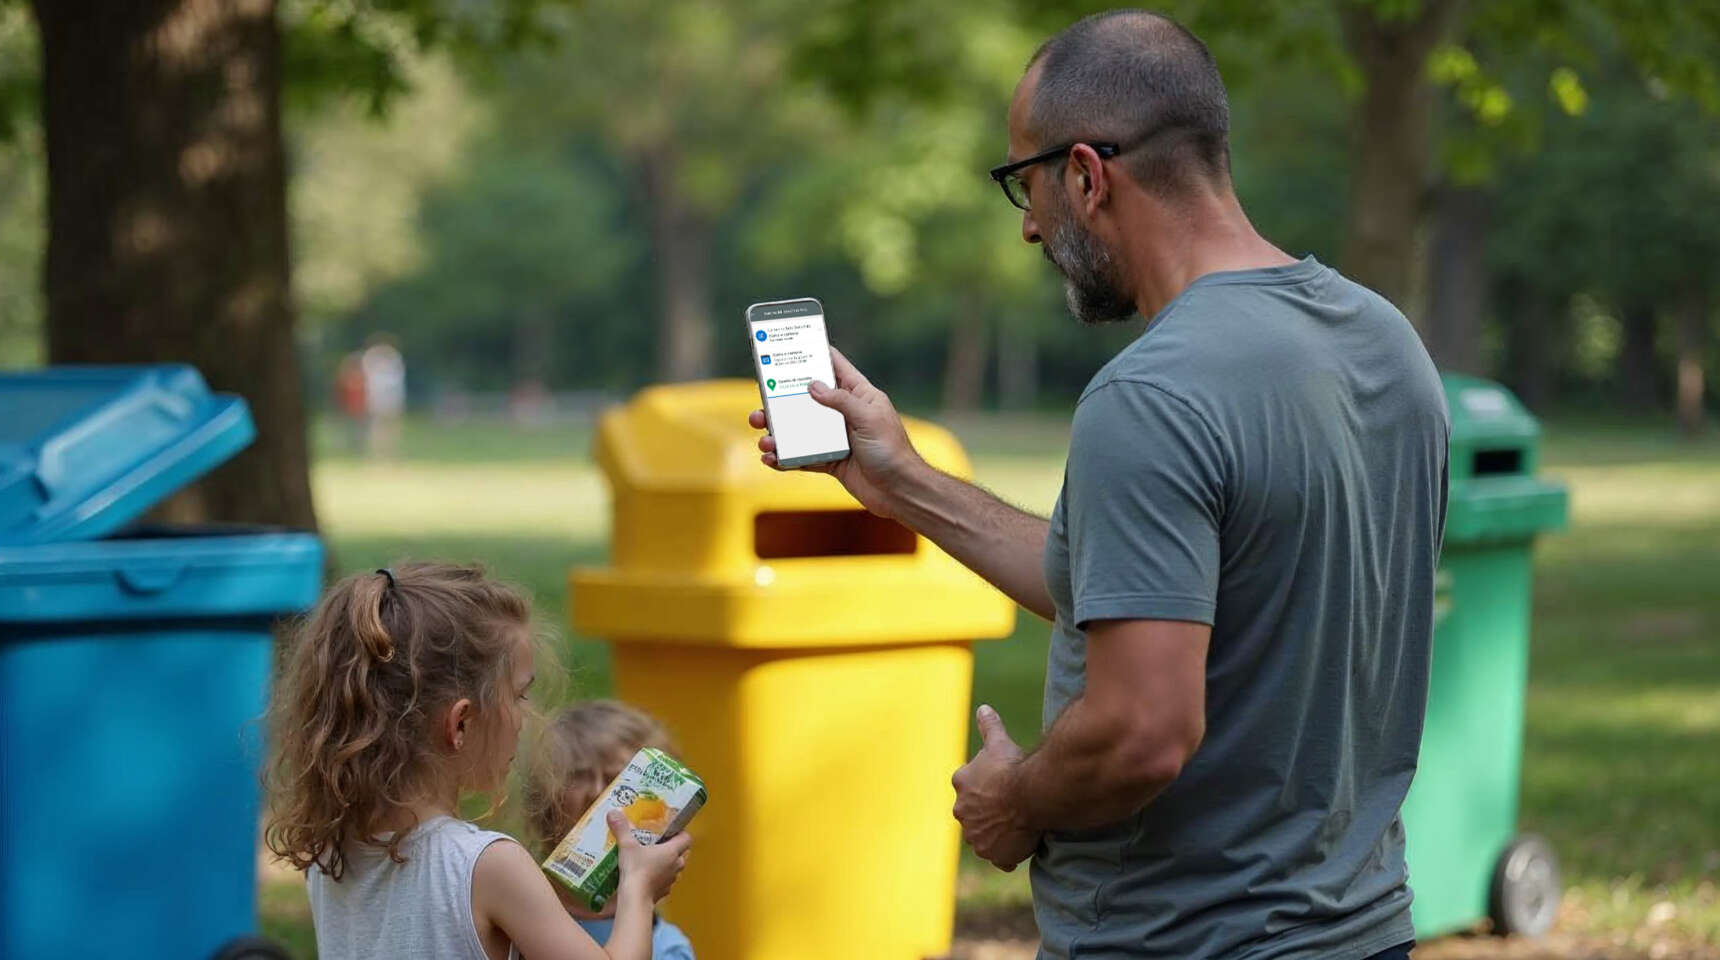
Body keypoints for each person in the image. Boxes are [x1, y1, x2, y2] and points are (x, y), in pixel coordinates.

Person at [749, 11, 1447, 960]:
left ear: (1085, 174)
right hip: (1364, 933)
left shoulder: (1152, 395)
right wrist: (903, 480)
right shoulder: (1384, 343)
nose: (1032, 225)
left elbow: (1143, 732)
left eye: (1023, 185)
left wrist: (1015, 800)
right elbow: (1155, 591)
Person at [264, 564, 693, 960]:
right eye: (520, 695)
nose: (527, 718)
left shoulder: (331, 854)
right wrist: (637, 887)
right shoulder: (488, 866)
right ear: (461, 723)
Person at [526, 700, 698, 960]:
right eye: (578, 775)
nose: (597, 791)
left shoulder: (666, 950)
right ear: (544, 799)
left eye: (618, 779)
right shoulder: (512, 904)